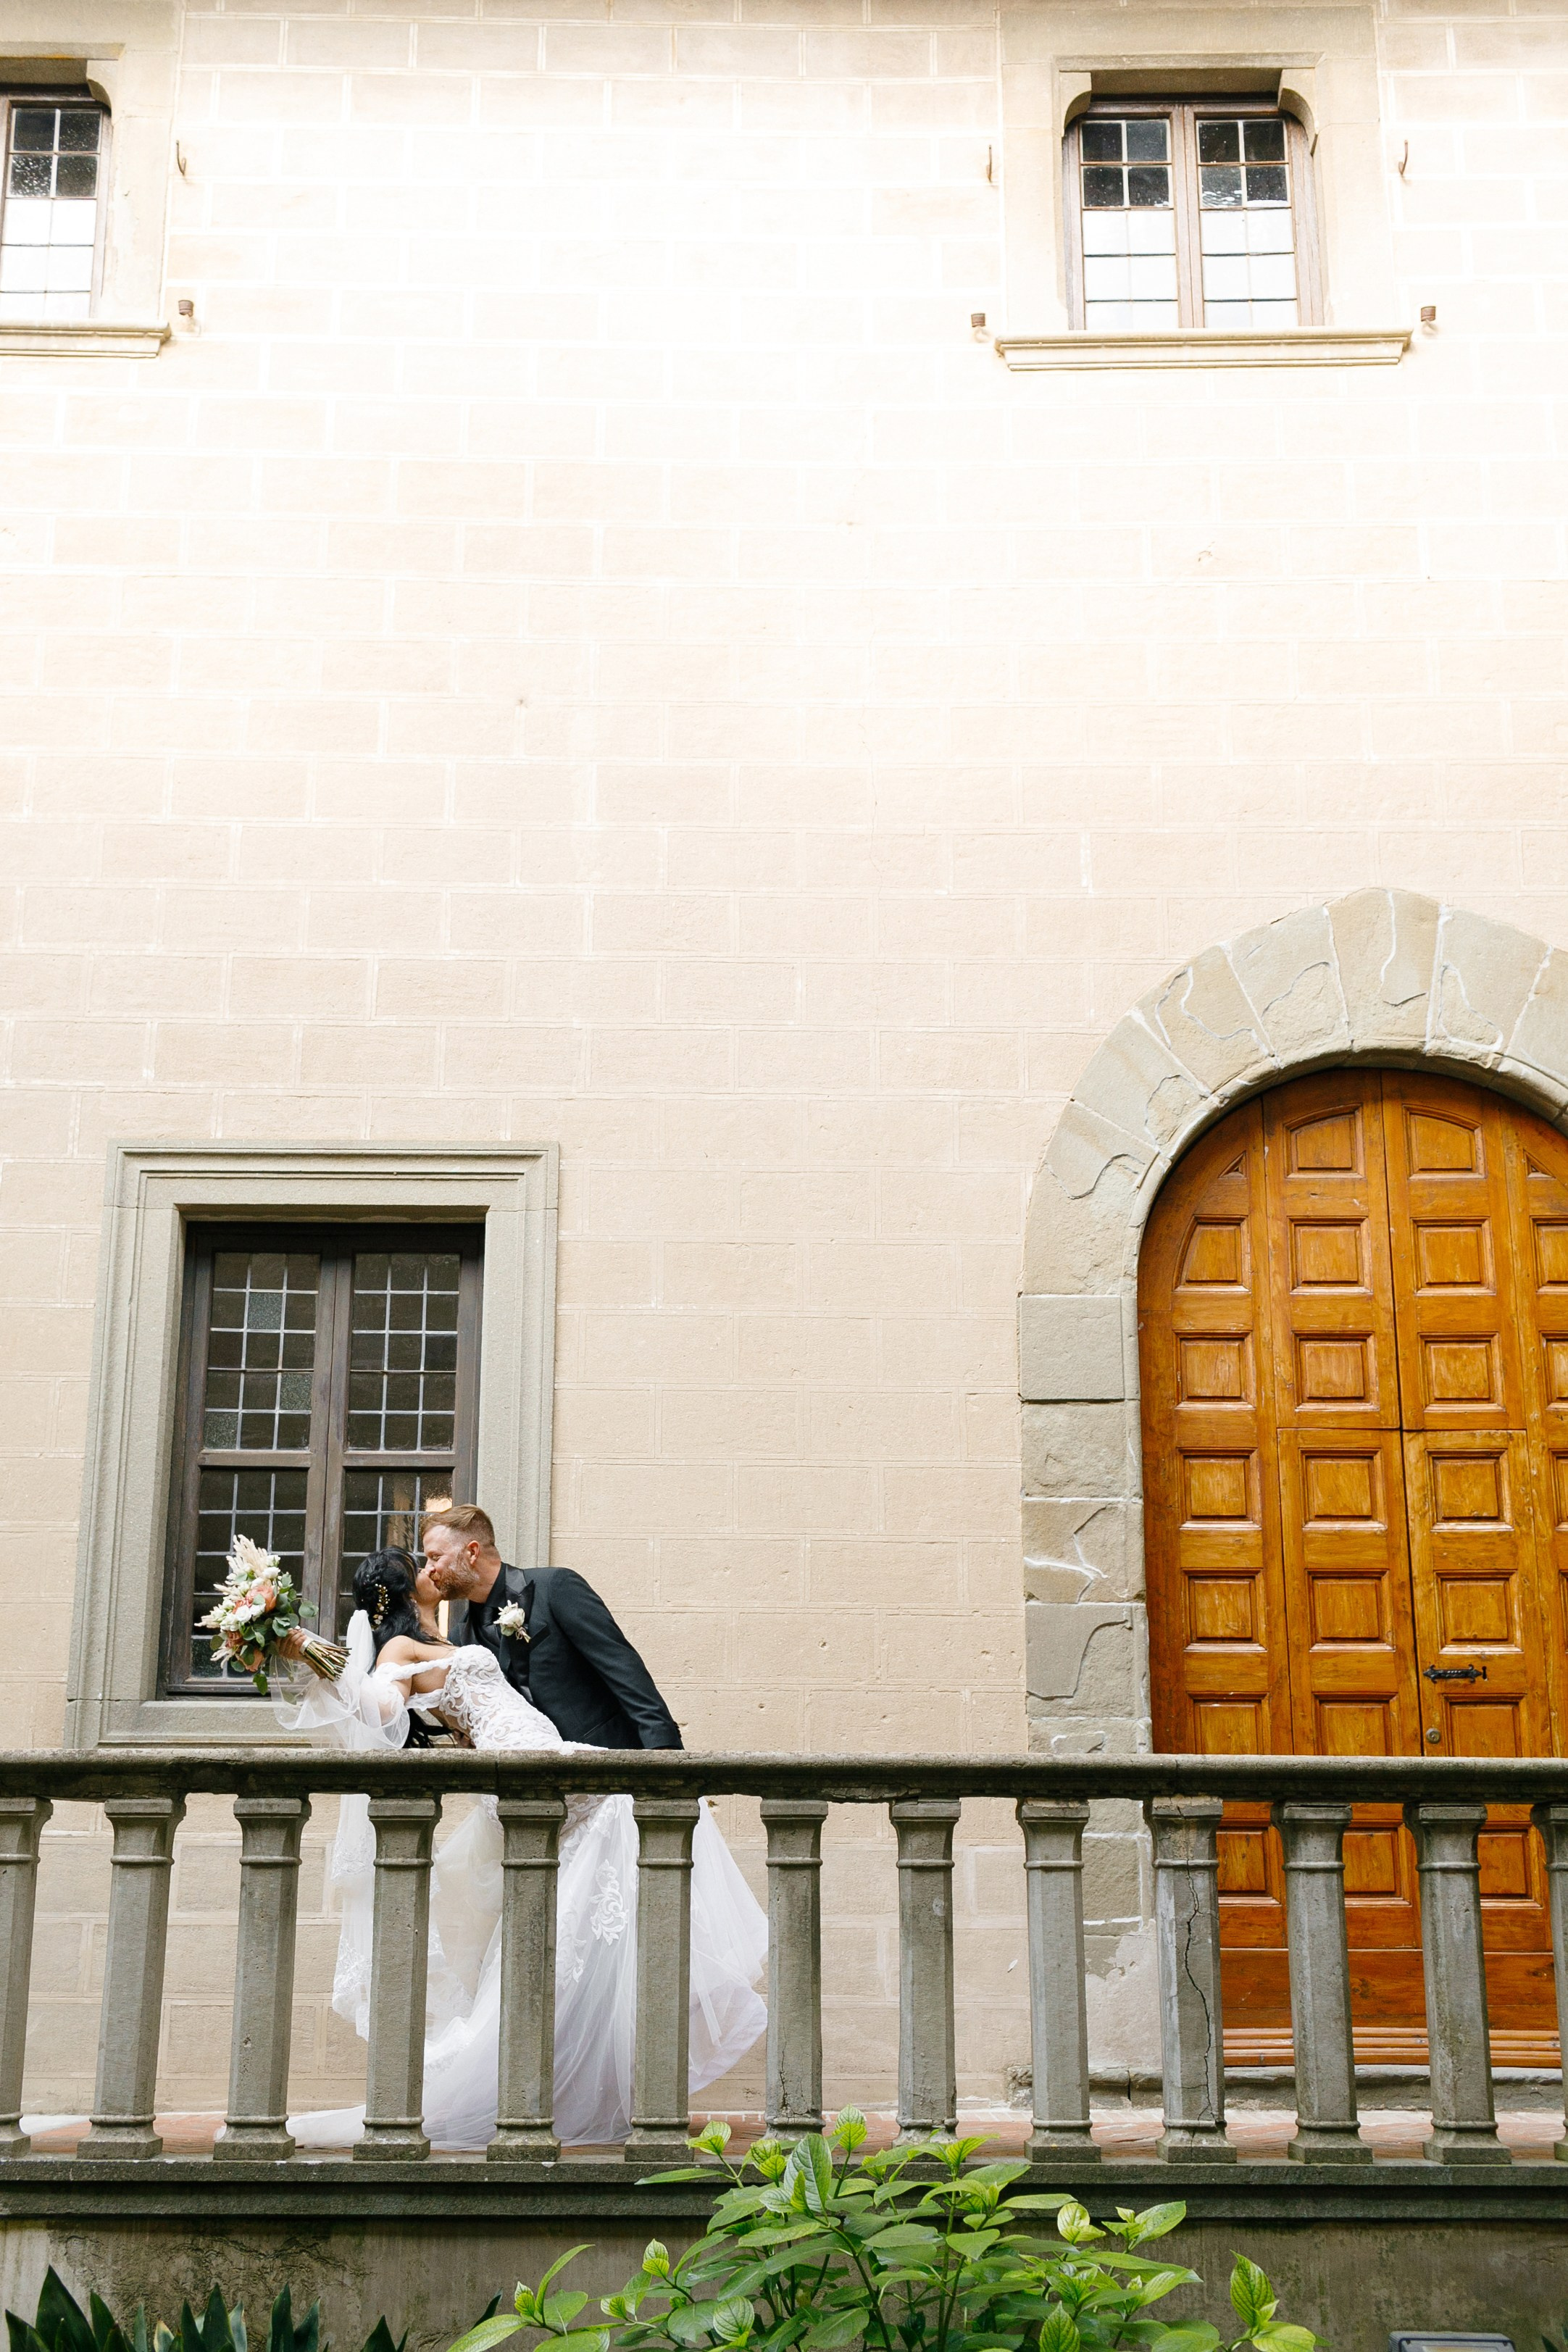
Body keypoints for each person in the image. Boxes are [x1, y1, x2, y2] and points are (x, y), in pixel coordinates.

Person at [278, 1548, 765, 2153]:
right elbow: (381, 1708)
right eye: (420, 1565)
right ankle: (674, 1984)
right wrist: (317, 1658)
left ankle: (604, 2044)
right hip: (528, 1767)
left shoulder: (450, 1635)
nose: (432, 1569)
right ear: (402, 1589)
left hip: (538, 1756)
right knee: (631, 1799)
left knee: (596, 1898)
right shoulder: (397, 1649)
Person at [421, 1504, 683, 1749]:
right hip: (530, 1773)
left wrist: (663, 1747)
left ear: (472, 1552)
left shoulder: (555, 1587)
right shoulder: (461, 1638)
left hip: (608, 1754)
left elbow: (621, 1666)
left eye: (435, 1557)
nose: (429, 1569)